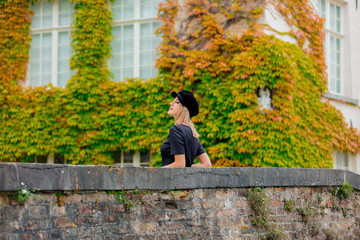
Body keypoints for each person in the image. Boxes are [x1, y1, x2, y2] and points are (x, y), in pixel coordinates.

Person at [161, 90, 212, 168]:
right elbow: (206, 164)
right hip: (184, 179)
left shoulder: (176, 130)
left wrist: (158, 171)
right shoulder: (192, 132)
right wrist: (187, 169)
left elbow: (180, 164)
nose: (171, 103)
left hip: (171, 179)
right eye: (173, 101)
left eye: (177, 102)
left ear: (184, 109)